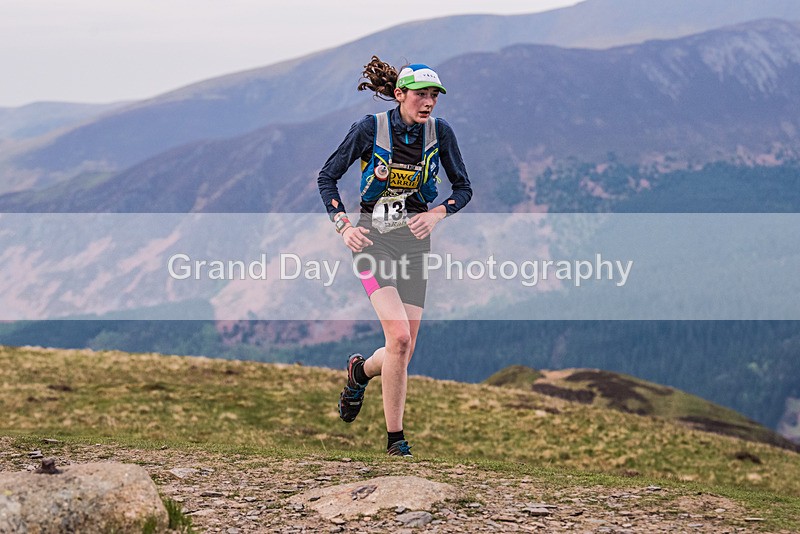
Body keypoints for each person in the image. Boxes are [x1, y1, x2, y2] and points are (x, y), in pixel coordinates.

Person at [317, 56, 472, 457]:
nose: (429, 102)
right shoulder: (370, 129)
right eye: (421, 94)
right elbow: (327, 177)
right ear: (400, 94)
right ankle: (395, 441)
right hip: (372, 243)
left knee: (402, 350)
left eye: (434, 95)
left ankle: (359, 371)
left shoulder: (441, 132)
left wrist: (436, 214)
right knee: (399, 337)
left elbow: (463, 188)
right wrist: (344, 227)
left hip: (414, 246)